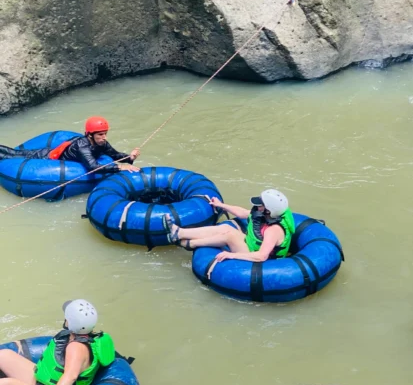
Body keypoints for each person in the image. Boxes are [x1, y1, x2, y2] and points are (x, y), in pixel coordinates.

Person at [0, 300, 115, 385]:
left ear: (69, 322)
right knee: (4, 355)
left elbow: (71, 376)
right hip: (43, 381)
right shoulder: (82, 336)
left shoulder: (76, 348)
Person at [163, 188, 296, 275]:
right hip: (252, 245)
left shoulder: (273, 230)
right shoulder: (268, 214)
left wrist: (231, 255)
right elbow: (243, 213)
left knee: (230, 235)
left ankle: (190, 244)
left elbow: (261, 256)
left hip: (265, 263)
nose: (257, 206)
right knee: (226, 228)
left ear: (268, 210)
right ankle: (179, 233)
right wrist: (221, 205)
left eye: (260, 204)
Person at [0, 117, 140, 173]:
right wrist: (118, 167)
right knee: (12, 155)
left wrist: (130, 157)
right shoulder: (82, 146)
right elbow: (92, 167)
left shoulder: (102, 143)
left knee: (13, 154)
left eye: (105, 134)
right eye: (100, 135)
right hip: (44, 157)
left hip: (53, 152)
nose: (104, 137)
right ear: (90, 135)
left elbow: (115, 155)